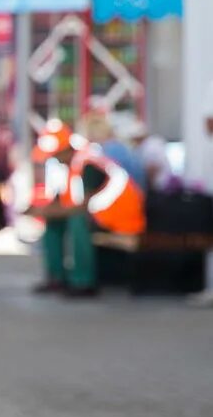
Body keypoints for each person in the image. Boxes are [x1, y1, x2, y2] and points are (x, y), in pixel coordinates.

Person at [27, 119, 145, 298]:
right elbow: (67, 201)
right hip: (101, 217)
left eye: (56, 155)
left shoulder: (88, 163)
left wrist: (46, 211)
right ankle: (57, 277)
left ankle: (83, 281)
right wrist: (44, 210)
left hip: (121, 219)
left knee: (77, 221)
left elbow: (81, 207)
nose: (54, 159)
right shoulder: (72, 166)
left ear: (66, 149)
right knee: (54, 222)